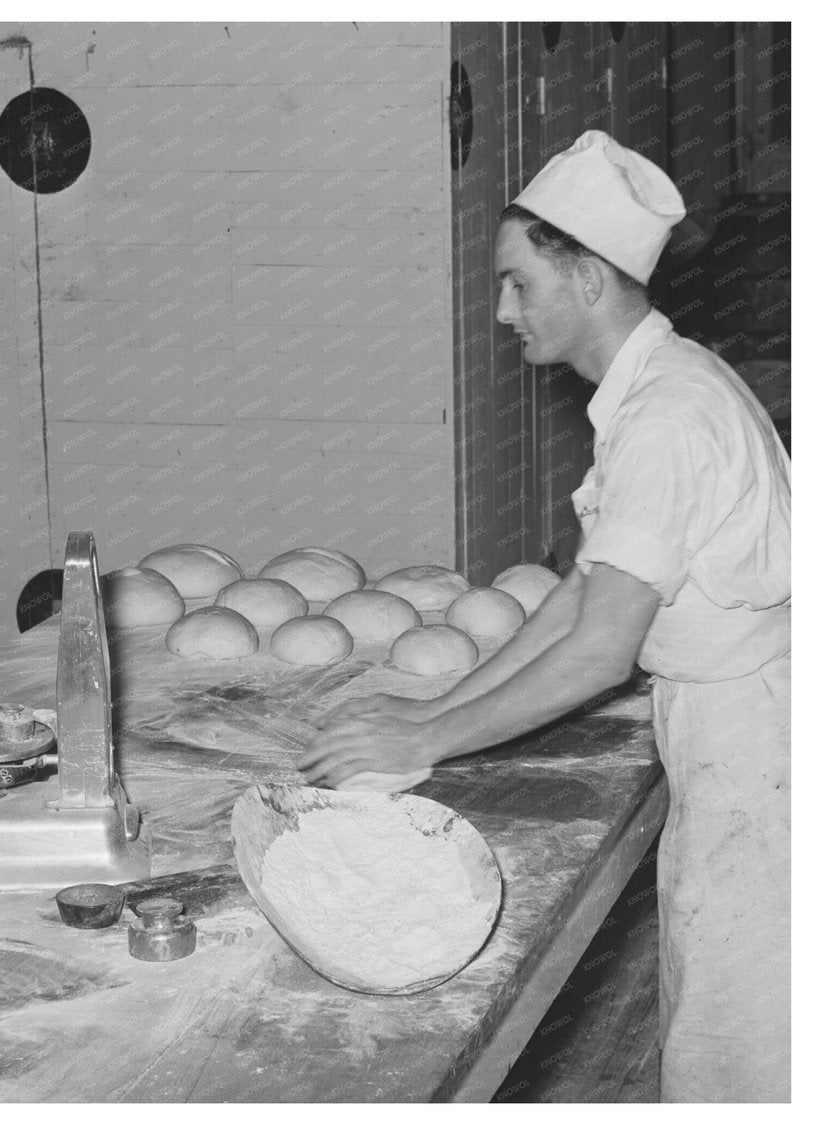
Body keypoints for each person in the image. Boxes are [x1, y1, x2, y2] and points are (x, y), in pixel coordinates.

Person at [299, 131, 789, 1102]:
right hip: (740, 737)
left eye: (519, 284)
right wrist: (433, 714)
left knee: (746, 1059)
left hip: (764, 756)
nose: (501, 311)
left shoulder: (667, 421)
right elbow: (577, 596)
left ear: (592, 279)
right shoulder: (655, 390)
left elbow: (603, 650)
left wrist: (428, 728)